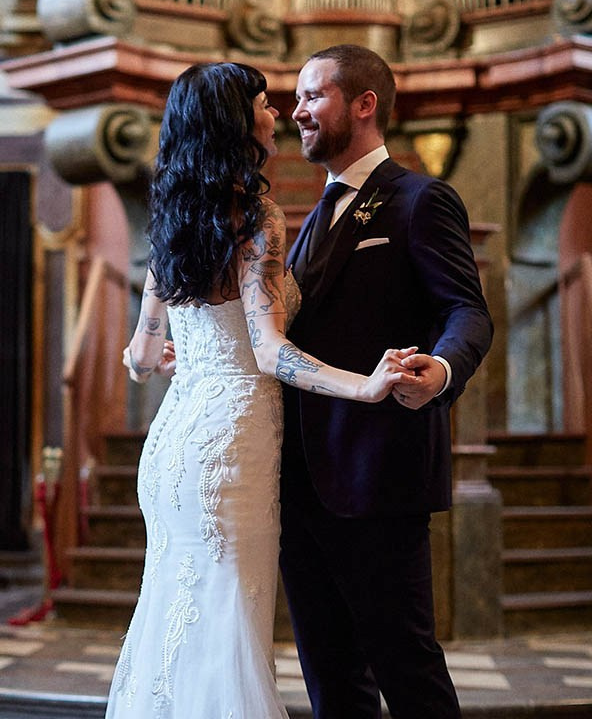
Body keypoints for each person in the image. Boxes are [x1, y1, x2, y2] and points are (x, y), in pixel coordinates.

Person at [104, 62, 418, 719]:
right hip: (232, 444)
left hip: (172, 445)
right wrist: (364, 386)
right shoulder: (256, 218)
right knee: (227, 625)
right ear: (237, 123)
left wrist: (175, 356)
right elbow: (271, 352)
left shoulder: (170, 222)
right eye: (266, 105)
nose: (278, 115)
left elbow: (136, 356)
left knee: (171, 613)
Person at [281, 44, 494, 719]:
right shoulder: (312, 219)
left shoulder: (418, 199)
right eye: (296, 99)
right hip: (300, 483)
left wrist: (444, 368)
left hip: (378, 475)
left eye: (313, 96)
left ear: (364, 104)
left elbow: (468, 309)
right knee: (331, 680)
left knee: (408, 672)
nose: (297, 112)